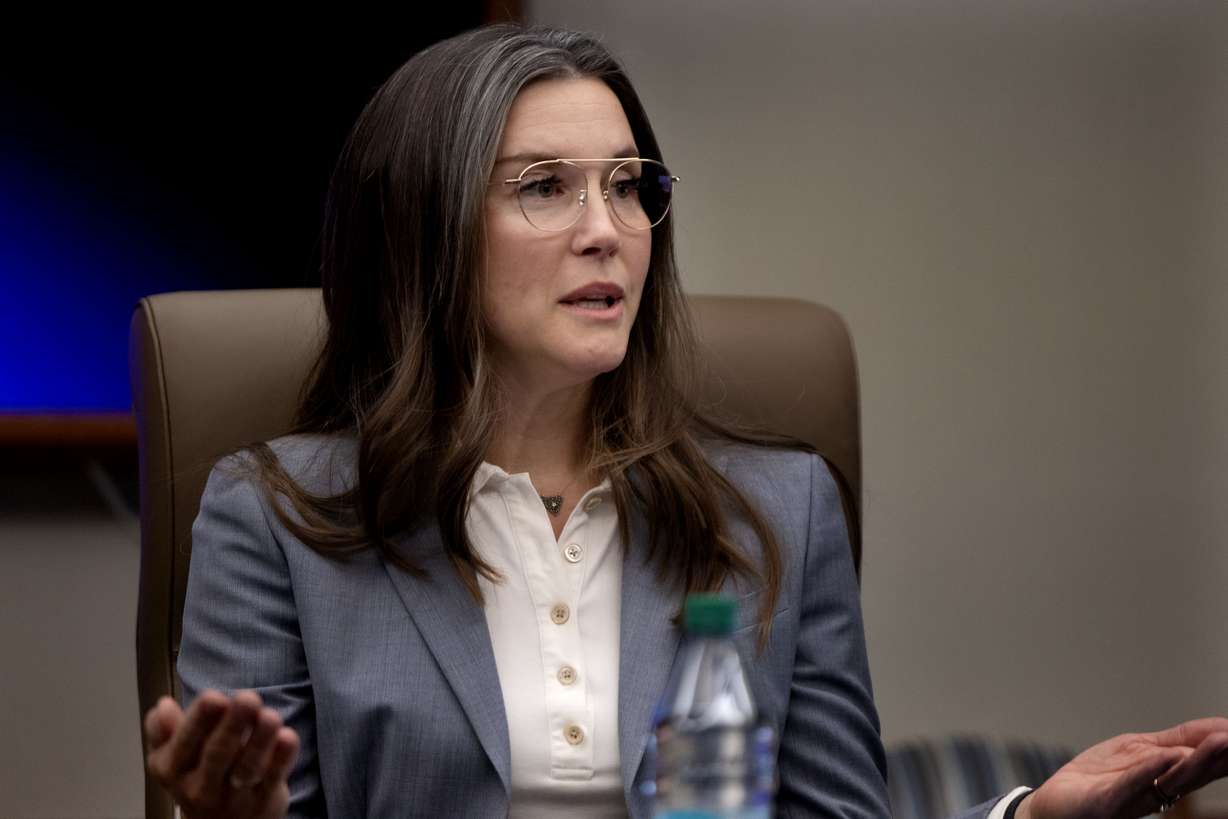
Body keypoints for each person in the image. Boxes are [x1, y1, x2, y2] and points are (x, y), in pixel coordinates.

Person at [142, 23, 1228, 819]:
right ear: (421, 230)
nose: (606, 229)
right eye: (544, 187)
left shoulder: (777, 508)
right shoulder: (278, 519)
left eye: (628, 186)